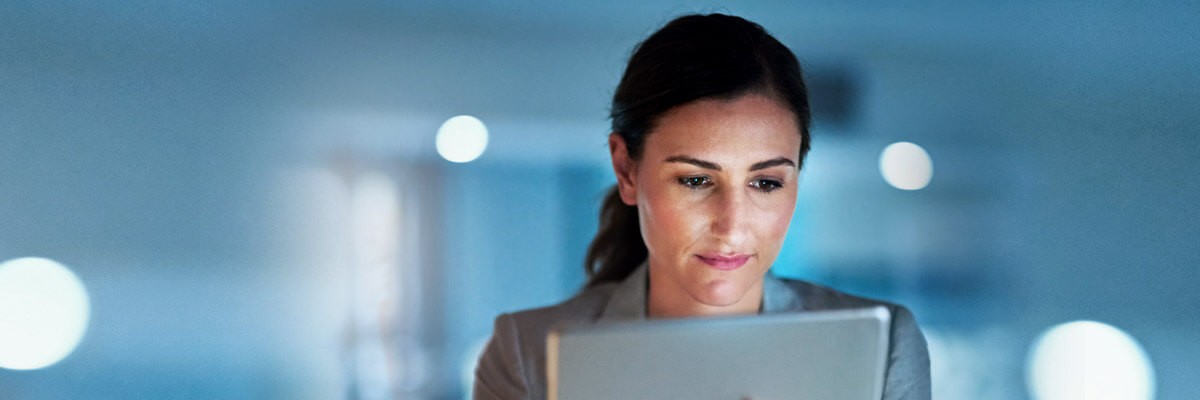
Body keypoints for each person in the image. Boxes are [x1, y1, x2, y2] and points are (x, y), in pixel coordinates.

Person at [473, 13, 930, 400]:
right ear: (626, 171)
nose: (731, 226)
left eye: (766, 182)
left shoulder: (884, 346)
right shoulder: (527, 356)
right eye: (695, 180)